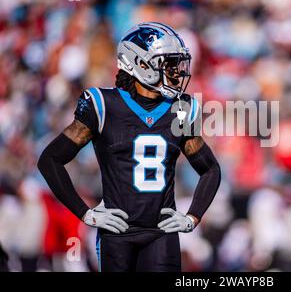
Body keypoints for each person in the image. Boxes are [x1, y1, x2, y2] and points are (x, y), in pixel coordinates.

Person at [38, 22, 221, 272]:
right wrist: (84, 212)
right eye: (168, 64)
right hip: (117, 232)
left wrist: (192, 216)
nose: (177, 73)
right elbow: (50, 159)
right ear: (141, 64)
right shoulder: (103, 105)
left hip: (161, 233)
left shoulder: (182, 109)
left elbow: (210, 169)